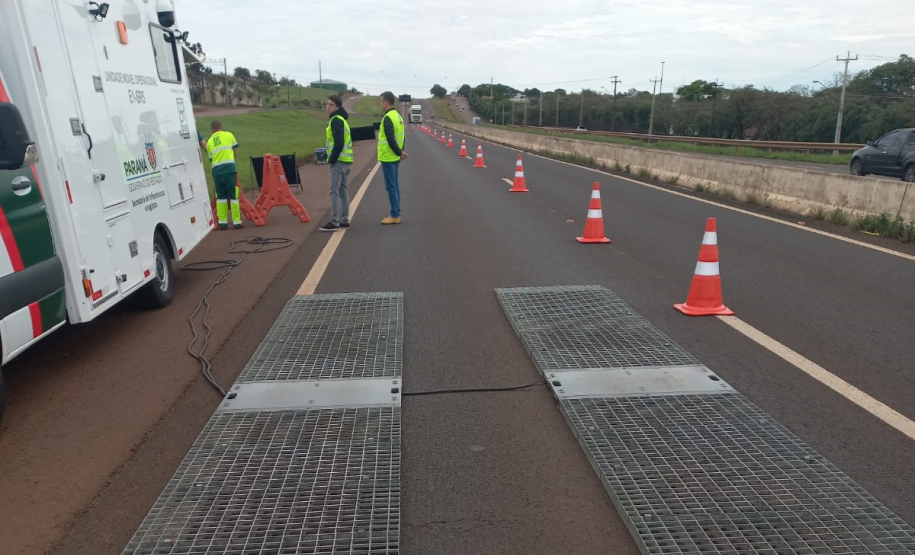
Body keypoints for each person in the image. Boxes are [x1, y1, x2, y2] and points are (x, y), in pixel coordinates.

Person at [319, 95, 353, 232]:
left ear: (337, 107)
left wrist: (332, 158)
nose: (328, 106)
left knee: (334, 192)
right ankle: (344, 220)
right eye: (327, 104)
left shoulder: (335, 120)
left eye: (331, 104)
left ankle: (335, 222)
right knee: (343, 192)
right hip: (346, 161)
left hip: (338, 161)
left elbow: (338, 142)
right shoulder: (342, 120)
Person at [205, 120, 243, 229]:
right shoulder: (229, 135)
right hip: (229, 169)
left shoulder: (209, 142)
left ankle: (222, 222)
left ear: (211, 130)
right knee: (234, 196)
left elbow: (211, 159)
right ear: (222, 127)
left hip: (217, 172)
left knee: (220, 197)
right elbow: (235, 152)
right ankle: (236, 222)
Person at [378, 91, 408, 224]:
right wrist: (400, 151)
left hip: (389, 157)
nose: (381, 104)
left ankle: (395, 215)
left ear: (386, 101)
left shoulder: (388, 118)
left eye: (381, 101)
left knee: (391, 187)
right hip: (395, 158)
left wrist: (398, 152)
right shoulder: (398, 117)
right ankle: (396, 213)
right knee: (395, 186)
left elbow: (390, 138)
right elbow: (402, 136)